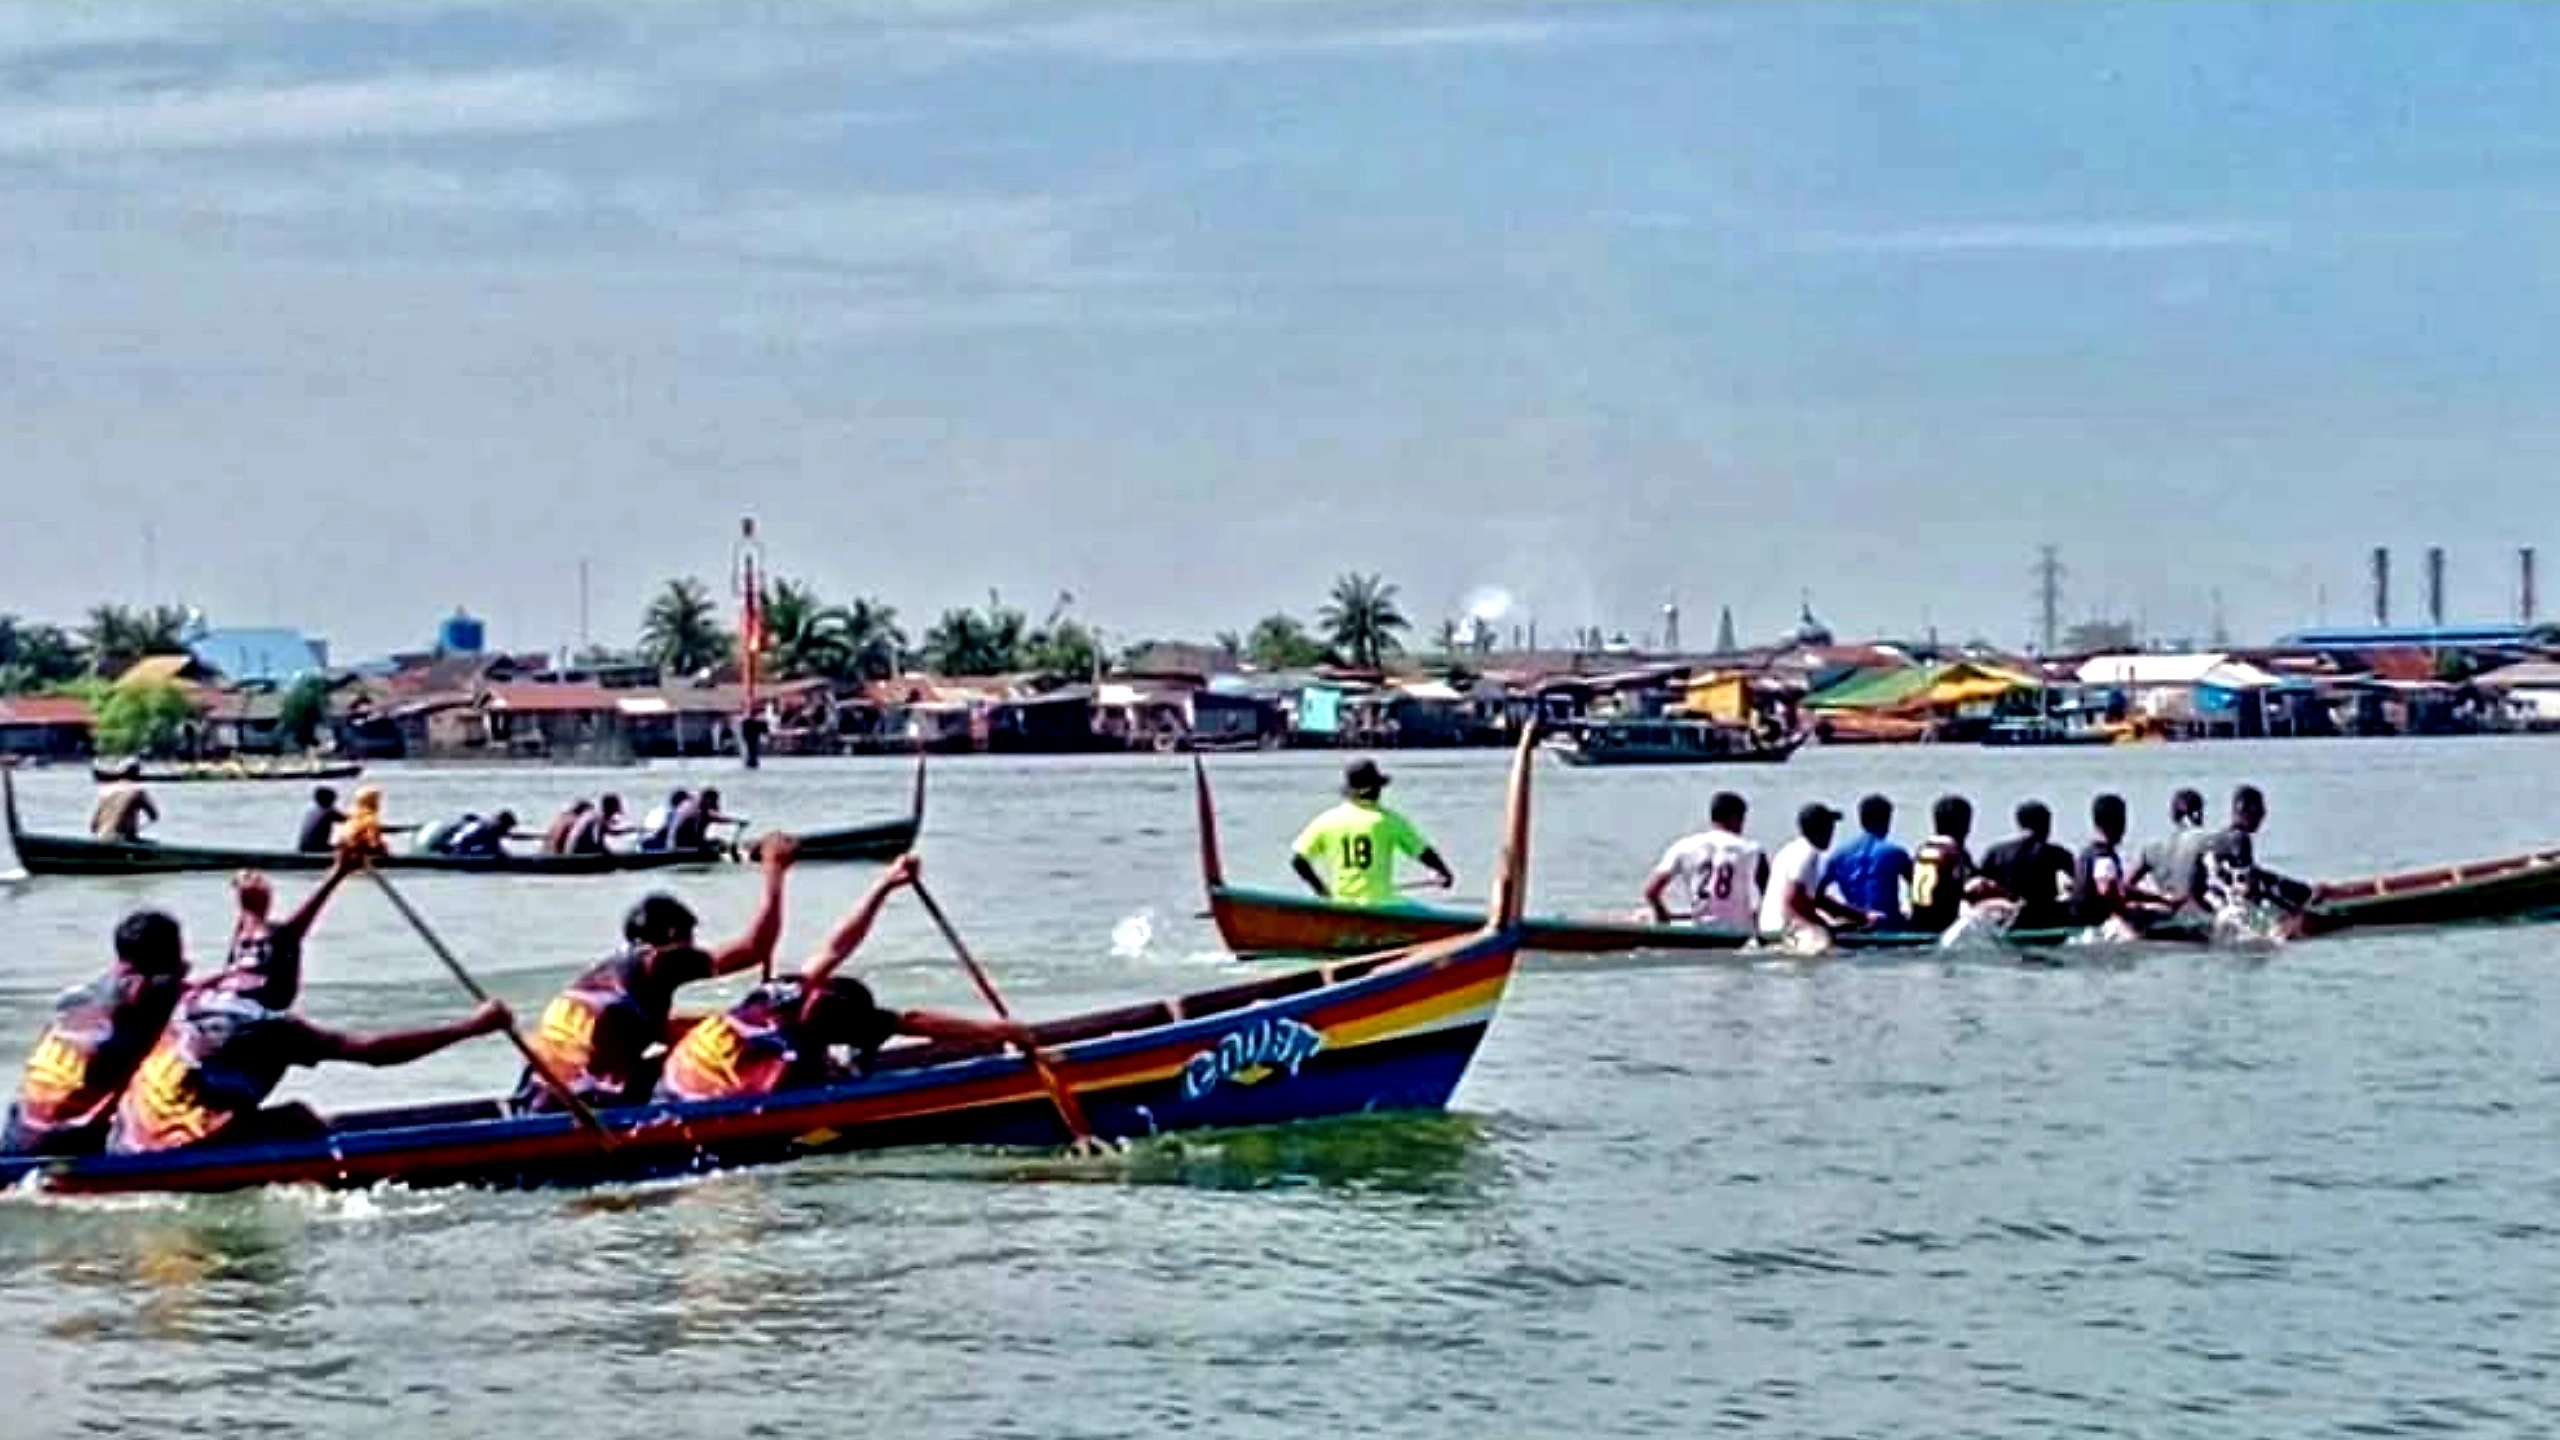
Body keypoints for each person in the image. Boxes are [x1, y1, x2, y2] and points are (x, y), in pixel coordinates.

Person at [657, 855, 1024, 1102]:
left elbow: (836, 947)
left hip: (672, 1078)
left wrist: (884, 885)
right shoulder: (822, 1022)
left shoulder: (785, 990)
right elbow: (911, 1021)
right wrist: (999, 1031)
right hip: (704, 1101)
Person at [518, 835, 800, 1109]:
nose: (694, 949)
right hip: (584, 1101)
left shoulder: (608, 974)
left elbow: (660, 1031)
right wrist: (774, 870)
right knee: (687, 1069)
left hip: (538, 1087)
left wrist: (729, 1026)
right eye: (690, 939)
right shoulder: (658, 962)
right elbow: (755, 947)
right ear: (673, 934)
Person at [110, 987, 510, 1155]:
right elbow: (373, 1053)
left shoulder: (192, 1003)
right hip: (177, 1148)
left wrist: (336, 874)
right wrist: (470, 1029)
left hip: (127, 1137)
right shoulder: (276, 1029)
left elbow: (261, 947)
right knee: (300, 1119)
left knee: (308, 1119)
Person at [1, 910, 192, 1156]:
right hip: (64, 1146)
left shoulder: (77, 998)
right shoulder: (147, 998)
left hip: (16, 1136)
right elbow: (229, 997)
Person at [1288, 758, 1455, 906]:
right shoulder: (1388, 821)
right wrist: (1444, 872)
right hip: (1382, 905)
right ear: (1375, 790)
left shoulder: (1327, 820)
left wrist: (1323, 893)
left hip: (1340, 905)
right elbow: (1423, 852)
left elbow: (1298, 861)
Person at [224, 856, 357, 1011]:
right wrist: (339, 873)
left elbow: (252, 922)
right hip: (258, 1015)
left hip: (235, 1008)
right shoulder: (277, 937)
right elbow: (304, 916)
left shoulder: (246, 935)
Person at [1642, 790, 1766, 930]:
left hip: (1700, 929)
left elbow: (1651, 891)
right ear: (1735, 818)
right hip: (1737, 933)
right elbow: (1768, 895)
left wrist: (1662, 914)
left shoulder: (1684, 846)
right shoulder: (1752, 850)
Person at [2190, 784, 2319, 917]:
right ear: (2247, 810)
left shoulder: (2215, 839)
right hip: (2227, 909)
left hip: (2208, 903)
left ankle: (2308, 893)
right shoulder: (2240, 839)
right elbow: (2249, 888)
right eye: (2260, 809)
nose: (2263, 814)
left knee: (2269, 878)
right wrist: (2291, 910)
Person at [1758, 803, 1867, 949]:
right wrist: (1821, 926)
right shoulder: (1808, 853)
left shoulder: (1790, 849)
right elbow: (1793, 899)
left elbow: (1818, 900)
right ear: (1820, 829)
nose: (1833, 832)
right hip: (1786, 930)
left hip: (1767, 926)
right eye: (1830, 826)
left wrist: (1861, 917)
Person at [1980, 801, 2078, 932]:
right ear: (2046, 824)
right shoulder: (2058, 854)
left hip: (2005, 920)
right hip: (2044, 920)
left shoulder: (1996, 853)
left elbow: (1980, 886)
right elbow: (2078, 888)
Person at [1822, 793, 1914, 930]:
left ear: (1861, 820)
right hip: (1890, 925)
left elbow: (1816, 894)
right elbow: (1919, 887)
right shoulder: (1895, 853)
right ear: (1887, 820)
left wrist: (1839, 912)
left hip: (1857, 925)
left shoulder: (1838, 856)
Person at [1909, 795, 1998, 933]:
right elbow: (1974, 888)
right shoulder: (1954, 853)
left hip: (1918, 922)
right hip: (1942, 927)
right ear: (1963, 825)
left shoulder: (1923, 850)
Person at [2074, 793, 2154, 935]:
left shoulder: (2086, 853)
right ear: (2119, 823)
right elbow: (2107, 891)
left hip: (2082, 918)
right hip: (2098, 925)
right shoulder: (2103, 857)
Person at [2130, 789, 2212, 910]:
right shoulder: (2204, 841)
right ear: (2197, 814)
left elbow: (2124, 886)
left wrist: (2158, 898)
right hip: (2196, 914)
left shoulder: (2152, 849)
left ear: (2173, 816)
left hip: (2167, 912)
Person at [89, 761, 158, 843]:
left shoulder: (105, 790)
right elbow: (154, 816)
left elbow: (93, 826)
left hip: (100, 837)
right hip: (122, 838)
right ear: (138, 774)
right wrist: (135, 830)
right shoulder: (138, 792)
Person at [667, 788, 734, 852]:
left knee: (719, 842)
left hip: (690, 840)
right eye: (711, 801)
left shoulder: (702, 807)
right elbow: (675, 827)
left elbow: (716, 816)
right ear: (707, 798)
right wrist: (671, 845)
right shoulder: (691, 807)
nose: (711, 804)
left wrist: (733, 820)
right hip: (681, 841)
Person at [334, 785, 387, 855]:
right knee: (384, 846)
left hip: (345, 851)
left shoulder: (353, 817)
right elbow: (373, 843)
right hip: (359, 854)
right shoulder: (371, 819)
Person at [445, 810, 520, 859]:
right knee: (492, 850)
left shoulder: (493, 825)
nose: (508, 829)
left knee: (493, 850)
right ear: (502, 823)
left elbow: (507, 835)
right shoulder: (489, 829)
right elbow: (466, 841)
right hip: (458, 846)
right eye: (508, 826)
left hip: (462, 842)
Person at [295, 786, 346, 854]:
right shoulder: (329, 811)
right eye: (334, 799)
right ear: (330, 799)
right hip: (317, 849)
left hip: (303, 848)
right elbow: (349, 820)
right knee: (346, 846)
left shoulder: (310, 811)